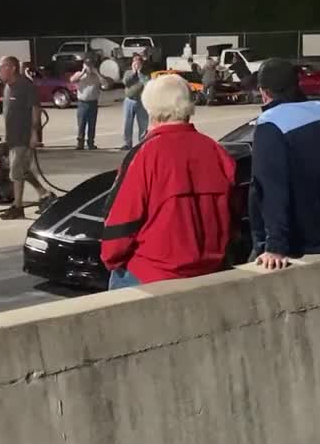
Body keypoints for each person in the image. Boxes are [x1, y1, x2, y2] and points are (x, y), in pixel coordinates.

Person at [100, 74, 236, 290]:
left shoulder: (146, 154)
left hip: (153, 273)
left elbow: (122, 221)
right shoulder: (216, 151)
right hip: (208, 270)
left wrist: (111, 260)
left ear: (151, 108)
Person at [249, 58, 320, 271]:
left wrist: (274, 246)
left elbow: (271, 188)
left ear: (264, 92)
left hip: (298, 242)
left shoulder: (270, 124)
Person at [0, 56, 56, 221]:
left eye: (2, 67)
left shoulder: (25, 86)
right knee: (22, 170)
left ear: (12, 68)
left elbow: (35, 109)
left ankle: (18, 206)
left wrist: (34, 134)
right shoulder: (8, 88)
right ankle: (45, 194)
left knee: (16, 173)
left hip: (24, 137)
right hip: (12, 137)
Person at [69, 56, 101, 150]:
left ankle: (91, 143)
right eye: (87, 65)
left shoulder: (96, 76)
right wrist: (83, 72)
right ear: (84, 65)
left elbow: (106, 83)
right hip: (82, 103)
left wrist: (97, 73)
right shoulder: (80, 74)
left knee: (92, 124)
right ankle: (80, 143)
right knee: (81, 123)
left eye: (90, 66)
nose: (89, 68)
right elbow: (72, 80)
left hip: (93, 103)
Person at [120, 53, 149, 150]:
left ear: (141, 63)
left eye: (138, 61)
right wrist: (133, 73)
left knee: (143, 124)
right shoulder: (128, 73)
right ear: (132, 63)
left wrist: (139, 73)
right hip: (129, 101)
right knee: (127, 123)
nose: (136, 63)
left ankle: (142, 143)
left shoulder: (145, 74)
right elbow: (125, 82)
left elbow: (147, 84)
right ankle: (127, 143)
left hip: (141, 101)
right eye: (134, 61)